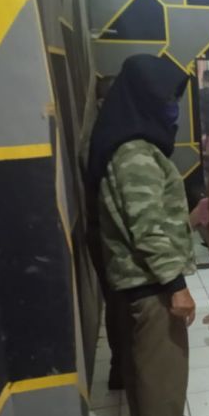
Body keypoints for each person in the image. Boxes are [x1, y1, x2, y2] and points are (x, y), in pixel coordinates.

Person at [86, 55, 209, 416]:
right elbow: (147, 228)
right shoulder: (135, 153)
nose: (172, 108)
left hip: (133, 277)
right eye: (167, 98)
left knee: (143, 363)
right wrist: (176, 285)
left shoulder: (124, 143)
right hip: (150, 279)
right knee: (164, 367)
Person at [82, 75, 124, 390]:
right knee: (121, 306)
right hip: (109, 234)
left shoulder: (100, 134)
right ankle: (122, 368)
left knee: (117, 304)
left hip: (103, 230)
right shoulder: (109, 140)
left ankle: (120, 368)